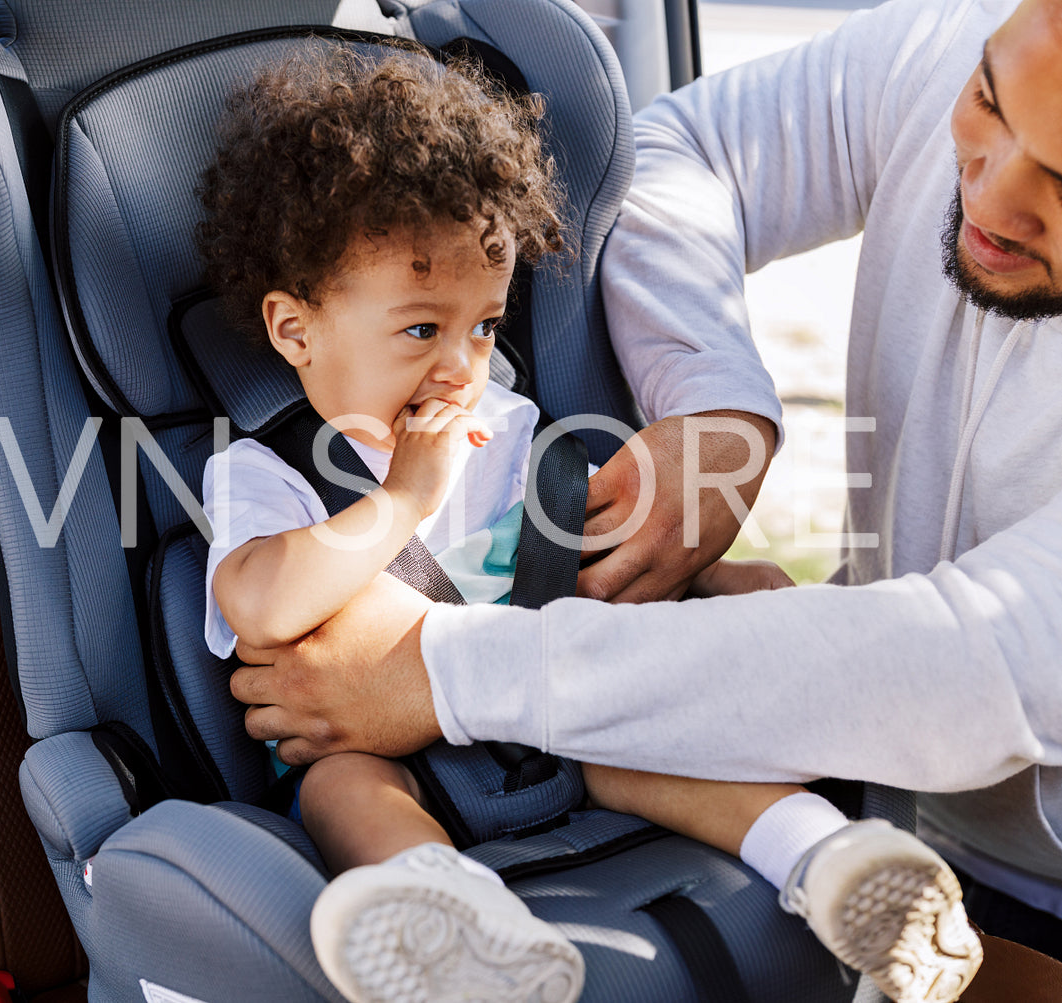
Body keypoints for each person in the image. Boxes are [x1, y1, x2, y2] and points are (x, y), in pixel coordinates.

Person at [228, 0, 1062, 972]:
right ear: (294, 330)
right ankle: (445, 924)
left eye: (486, 329)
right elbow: (256, 596)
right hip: (378, 744)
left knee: (653, 738)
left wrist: (448, 667)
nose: (989, 199)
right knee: (345, 785)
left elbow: (980, 658)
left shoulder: (499, 436)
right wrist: (713, 412)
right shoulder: (270, 470)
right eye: (985, 100)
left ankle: (840, 865)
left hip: (536, 722)